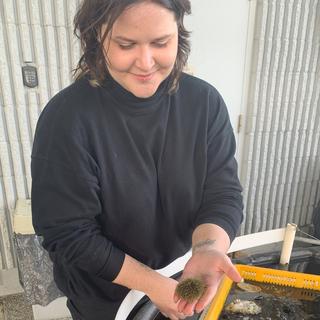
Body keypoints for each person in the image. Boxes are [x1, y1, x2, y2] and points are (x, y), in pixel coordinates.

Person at [31, 0, 243, 319]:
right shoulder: (68, 118)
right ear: (96, 37)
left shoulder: (205, 104)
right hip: (104, 295)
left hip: (183, 277)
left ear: (179, 35)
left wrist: (208, 249)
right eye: (126, 44)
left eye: (160, 43)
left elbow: (222, 193)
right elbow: (69, 233)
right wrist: (152, 285)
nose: (145, 62)